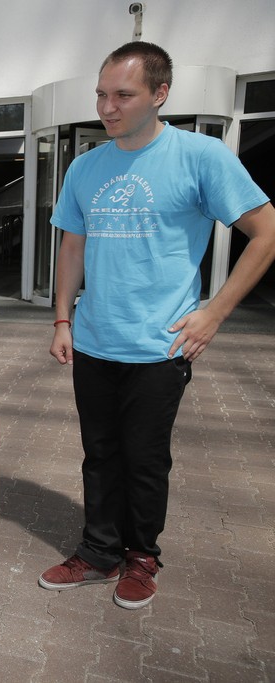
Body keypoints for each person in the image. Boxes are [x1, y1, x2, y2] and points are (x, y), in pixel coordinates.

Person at [41, 42, 275, 610]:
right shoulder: (85, 166)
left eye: (123, 95)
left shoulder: (201, 156)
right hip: (95, 339)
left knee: (144, 459)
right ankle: (99, 552)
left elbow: (266, 233)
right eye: (101, 94)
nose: (107, 107)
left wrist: (214, 313)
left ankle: (141, 557)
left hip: (160, 346)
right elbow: (72, 247)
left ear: (160, 94)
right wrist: (63, 318)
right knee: (99, 454)